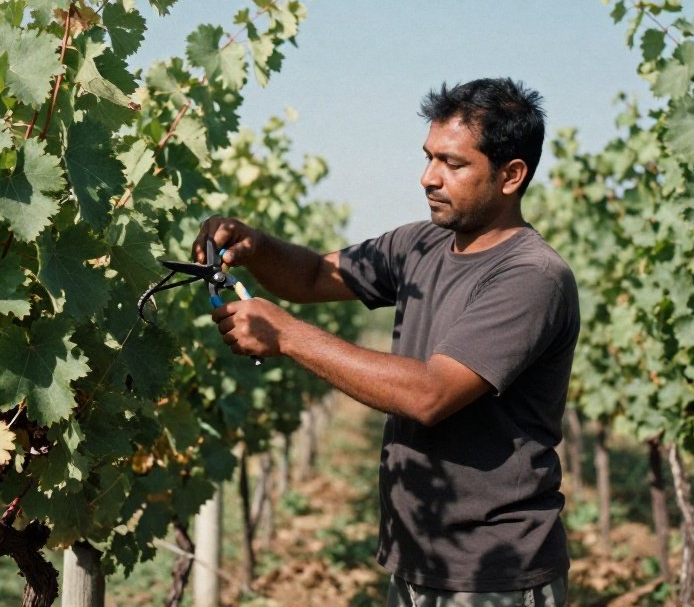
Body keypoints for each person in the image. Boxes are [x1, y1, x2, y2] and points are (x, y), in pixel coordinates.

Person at [195, 77, 579, 606]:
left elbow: (431, 395)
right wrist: (255, 246)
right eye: (428, 158)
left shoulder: (532, 277)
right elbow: (310, 277)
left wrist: (287, 335)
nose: (428, 178)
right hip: (415, 555)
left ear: (512, 175)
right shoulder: (420, 244)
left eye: (453, 163)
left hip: (491, 572)